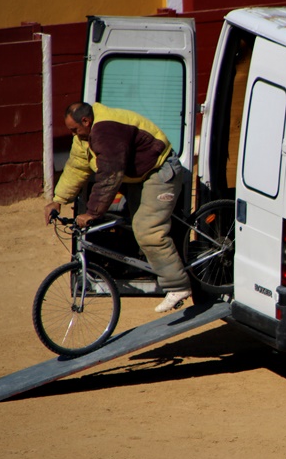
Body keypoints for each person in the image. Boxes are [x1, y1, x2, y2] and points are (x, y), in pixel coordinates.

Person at [43, 102, 191, 313]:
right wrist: (58, 199)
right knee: (134, 223)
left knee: (148, 229)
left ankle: (177, 285)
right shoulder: (84, 137)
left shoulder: (106, 131)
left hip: (160, 171)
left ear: (86, 121)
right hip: (140, 176)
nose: (73, 134)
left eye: (74, 129)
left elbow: (109, 177)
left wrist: (92, 212)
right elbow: (77, 167)